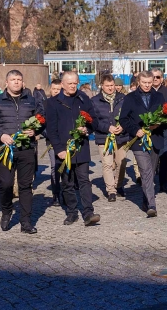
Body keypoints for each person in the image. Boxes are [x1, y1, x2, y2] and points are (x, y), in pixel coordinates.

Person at [0, 70, 43, 234]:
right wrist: (0, 136)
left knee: (25, 186)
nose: (16, 82)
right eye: (13, 79)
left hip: (27, 149)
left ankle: (26, 222)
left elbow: (42, 119)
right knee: (6, 184)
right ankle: (7, 211)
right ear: (6, 82)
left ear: (23, 82)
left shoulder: (32, 100)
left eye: (19, 79)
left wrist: (35, 131)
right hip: (5, 150)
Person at [46, 71, 101, 227]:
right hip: (63, 149)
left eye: (75, 83)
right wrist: (58, 149)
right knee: (67, 183)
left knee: (84, 180)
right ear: (62, 84)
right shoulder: (53, 103)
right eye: (69, 83)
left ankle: (89, 212)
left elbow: (94, 121)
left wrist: (88, 129)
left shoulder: (84, 99)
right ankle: (71, 213)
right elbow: (51, 129)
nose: (72, 86)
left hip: (81, 147)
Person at [120, 71, 167, 217]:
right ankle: (152, 205)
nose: (147, 85)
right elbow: (123, 119)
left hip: (155, 139)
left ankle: (145, 200)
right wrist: (136, 130)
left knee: (150, 173)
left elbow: (164, 114)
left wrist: (159, 123)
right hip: (139, 141)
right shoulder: (130, 98)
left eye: (149, 82)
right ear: (138, 82)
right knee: (146, 170)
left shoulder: (159, 96)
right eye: (144, 83)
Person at [91, 74, 130, 202]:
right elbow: (94, 121)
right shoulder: (95, 101)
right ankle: (111, 190)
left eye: (112, 85)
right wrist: (108, 128)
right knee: (107, 164)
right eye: (107, 86)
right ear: (102, 86)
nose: (110, 88)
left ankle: (118, 185)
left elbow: (129, 115)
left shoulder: (123, 98)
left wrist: (122, 126)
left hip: (121, 136)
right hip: (104, 137)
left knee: (121, 162)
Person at [151, 68, 167, 192]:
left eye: (157, 77)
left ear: (162, 78)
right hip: (149, 128)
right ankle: (149, 183)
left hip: (164, 128)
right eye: (153, 77)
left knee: (164, 155)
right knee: (150, 156)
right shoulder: (146, 91)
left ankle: (163, 183)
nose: (155, 79)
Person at [43, 79, 63, 206]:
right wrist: (49, 134)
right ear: (50, 89)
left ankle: (66, 192)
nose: (56, 92)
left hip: (65, 140)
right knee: (54, 166)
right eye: (54, 89)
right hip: (51, 141)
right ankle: (56, 193)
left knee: (65, 166)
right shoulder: (45, 104)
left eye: (58, 89)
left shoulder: (65, 103)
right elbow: (42, 123)